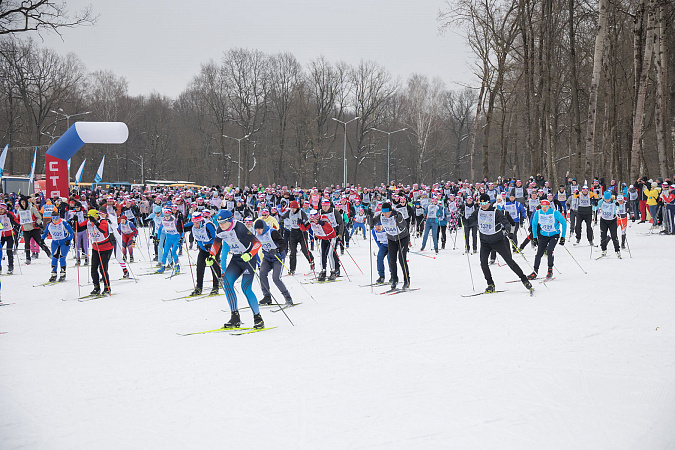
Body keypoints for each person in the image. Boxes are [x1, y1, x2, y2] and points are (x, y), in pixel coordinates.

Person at [207, 210, 264, 329]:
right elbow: (216, 244)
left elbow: (257, 243)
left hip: (248, 258)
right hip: (236, 258)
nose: (221, 225)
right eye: (219, 222)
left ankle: (258, 318)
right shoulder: (220, 230)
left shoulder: (240, 227)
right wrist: (212, 255)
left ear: (230, 220)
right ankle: (235, 317)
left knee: (245, 288)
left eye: (223, 222)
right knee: (227, 284)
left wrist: (250, 254)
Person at [467, 194, 533, 294]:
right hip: (485, 242)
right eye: (481, 203)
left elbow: (506, 222)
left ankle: (524, 280)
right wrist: (463, 219)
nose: (483, 205)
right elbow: (469, 222)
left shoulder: (496, 212)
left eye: (485, 203)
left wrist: (507, 230)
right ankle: (490, 284)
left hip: (497, 241)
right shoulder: (478, 212)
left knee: (510, 262)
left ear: (489, 203)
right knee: (483, 263)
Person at [254, 219, 293, 306]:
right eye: (256, 229)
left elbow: (283, 244)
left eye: (259, 229)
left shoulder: (272, 232)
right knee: (262, 274)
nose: (258, 231)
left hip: (277, 258)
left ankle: (288, 297)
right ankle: (267, 296)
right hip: (267, 258)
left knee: (276, 278)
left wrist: (277, 250)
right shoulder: (256, 234)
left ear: (263, 227)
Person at [527, 199, 567, 280]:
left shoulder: (554, 212)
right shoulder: (538, 213)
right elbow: (534, 224)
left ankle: (550, 270)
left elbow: (564, 223)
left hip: (554, 234)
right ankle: (535, 272)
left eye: (546, 206)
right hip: (543, 235)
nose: (544, 208)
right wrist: (534, 237)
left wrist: (563, 237)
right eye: (542, 206)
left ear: (549, 206)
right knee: (539, 254)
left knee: (549, 251)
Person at [374, 202, 411, 290]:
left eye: (387, 212)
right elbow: (373, 222)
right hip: (391, 239)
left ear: (390, 211)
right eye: (383, 212)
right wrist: (369, 217)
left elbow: (404, 224)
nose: (385, 214)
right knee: (391, 259)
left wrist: (397, 219)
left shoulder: (397, 214)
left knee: (401, 259)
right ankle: (394, 279)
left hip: (402, 238)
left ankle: (407, 280)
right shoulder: (381, 216)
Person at [183, 211, 220, 296]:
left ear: (200, 221)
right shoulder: (193, 225)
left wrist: (210, 245)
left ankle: (215, 287)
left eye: (197, 223)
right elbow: (182, 228)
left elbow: (216, 238)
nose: (195, 225)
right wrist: (179, 221)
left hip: (214, 247)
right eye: (194, 223)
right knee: (199, 266)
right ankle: (198, 287)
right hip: (203, 249)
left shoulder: (208, 225)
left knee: (213, 265)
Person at [279, 201, 314, 275]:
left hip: (301, 232)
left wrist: (302, 222)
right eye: (292, 208)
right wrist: (281, 219)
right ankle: (292, 269)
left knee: (305, 250)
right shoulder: (289, 212)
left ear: (297, 208)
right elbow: (283, 217)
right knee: (292, 252)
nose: (293, 210)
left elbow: (306, 221)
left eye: (294, 208)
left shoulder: (301, 212)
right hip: (293, 232)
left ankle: (311, 261)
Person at [42, 210, 75, 282]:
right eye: (53, 219)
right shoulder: (50, 225)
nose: (55, 221)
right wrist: (42, 239)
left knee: (62, 257)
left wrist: (69, 240)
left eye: (57, 219)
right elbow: (45, 233)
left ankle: (63, 273)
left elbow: (71, 233)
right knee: (54, 258)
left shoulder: (64, 223)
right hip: (55, 242)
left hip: (64, 242)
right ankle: (53, 274)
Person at [17, 195, 51, 264]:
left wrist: (37, 223)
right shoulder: (19, 210)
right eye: (21, 202)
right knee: (27, 245)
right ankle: (28, 258)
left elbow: (39, 217)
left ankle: (49, 254)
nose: (23, 203)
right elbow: (17, 219)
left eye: (24, 202)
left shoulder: (32, 209)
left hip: (34, 229)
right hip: (25, 230)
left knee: (40, 242)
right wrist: (18, 224)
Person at [87, 209, 114, 295]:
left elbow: (103, 230)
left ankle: (107, 288)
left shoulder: (103, 221)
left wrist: (95, 222)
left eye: (91, 217)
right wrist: (74, 221)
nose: (89, 219)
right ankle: (96, 288)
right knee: (93, 268)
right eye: (89, 217)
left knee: (102, 269)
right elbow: (79, 227)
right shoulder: (89, 222)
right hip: (96, 248)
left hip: (106, 248)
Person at [308, 209, 338, 282]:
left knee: (329, 254)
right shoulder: (311, 221)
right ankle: (323, 271)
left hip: (331, 237)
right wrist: (301, 224)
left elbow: (329, 228)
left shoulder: (324, 218)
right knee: (322, 255)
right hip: (323, 238)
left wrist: (322, 224)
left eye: (316, 219)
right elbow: (304, 228)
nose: (315, 220)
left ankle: (333, 272)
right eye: (313, 219)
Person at [156, 207, 181, 275]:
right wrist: (158, 238)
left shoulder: (174, 220)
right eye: (165, 216)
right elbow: (160, 229)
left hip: (176, 238)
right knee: (165, 253)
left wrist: (181, 238)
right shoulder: (163, 221)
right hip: (168, 238)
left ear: (170, 215)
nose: (166, 217)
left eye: (168, 216)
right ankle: (163, 266)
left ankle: (177, 266)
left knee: (173, 252)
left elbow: (181, 229)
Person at [596, 191, 621, 258]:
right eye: (606, 199)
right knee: (603, 236)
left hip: (612, 221)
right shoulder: (601, 201)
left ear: (610, 198)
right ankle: (603, 250)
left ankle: (617, 251)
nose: (607, 200)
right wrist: (595, 204)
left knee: (614, 236)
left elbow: (620, 208)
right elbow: (594, 208)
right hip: (603, 221)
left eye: (608, 199)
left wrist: (618, 205)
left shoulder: (614, 202)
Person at [0, 203, 19, 274]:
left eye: (2, 209)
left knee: (9, 251)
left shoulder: (9, 214)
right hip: (1, 236)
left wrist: (11, 217)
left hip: (9, 235)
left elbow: (17, 223)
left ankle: (11, 266)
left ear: (5, 209)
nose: (0, 211)